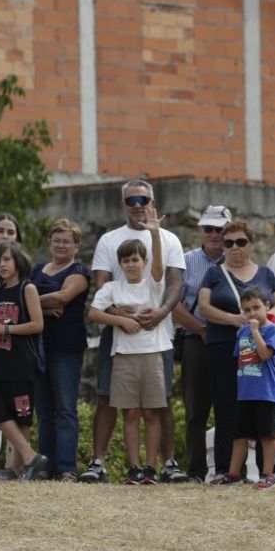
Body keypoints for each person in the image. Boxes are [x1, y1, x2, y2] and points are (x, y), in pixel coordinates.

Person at [80, 179, 182, 483]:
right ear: (123, 203)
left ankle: (166, 463)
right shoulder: (109, 239)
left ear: (152, 201)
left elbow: (172, 282)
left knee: (159, 401)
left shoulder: (169, 238)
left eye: (143, 199)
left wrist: (162, 313)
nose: (138, 205)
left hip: (156, 335)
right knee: (109, 398)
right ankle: (100, 462)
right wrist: (117, 315)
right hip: (120, 336)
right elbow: (102, 285)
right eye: (131, 200)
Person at [196, 217, 275, 481]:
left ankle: (267, 472)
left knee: (261, 410)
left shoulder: (266, 273)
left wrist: (261, 322)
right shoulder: (214, 272)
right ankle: (227, 469)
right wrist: (233, 320)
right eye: (228, 242)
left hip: (260, 346)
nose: (235, 247)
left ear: (251, 244)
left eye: (241, 242)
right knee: (227, 407)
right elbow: (204, 307)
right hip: (224, 345)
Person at [89, 213, 169, 484]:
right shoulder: (112, 287)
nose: (131, 264)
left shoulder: (153, 285)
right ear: (120, 264)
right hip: (123, 356)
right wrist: (120, 320)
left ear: (143, 262)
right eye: (126, 260)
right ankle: (134, 468)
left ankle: (150, 468)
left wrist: (156, 234)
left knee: (151, 412)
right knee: (131, 413)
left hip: (151, 353)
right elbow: (94, 313)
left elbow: (159, 266)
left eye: (135, 259)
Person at [171, 204, 232, 482]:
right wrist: (201, 328)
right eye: (208, 228)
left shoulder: (237, 260)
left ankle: (229, 468)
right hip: (196, 338)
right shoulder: (187, 260)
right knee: (196, 409)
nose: (214, 234)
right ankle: (195, 470)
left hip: (229, 340)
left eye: (220, 229)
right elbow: (175, 303)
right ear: (200, 231)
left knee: (228, 407)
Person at [0, 240, 47, 481]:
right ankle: (30, 458)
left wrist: (5, 329)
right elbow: (2, 324)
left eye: (6, 259)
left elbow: (38, 325)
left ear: (18, 260)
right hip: (0, 361)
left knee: (22, 416)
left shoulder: (27, 289)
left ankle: (19, 468)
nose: (2, 265)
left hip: (22, 362)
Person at [31, 218, 91, 481]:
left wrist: (32, 302)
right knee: (43, 409)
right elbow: (22, 296)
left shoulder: (78, 270)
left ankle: (66, 468)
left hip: (66, 348)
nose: (61, 245)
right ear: (49, 243)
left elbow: (63, 297)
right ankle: (46, 466)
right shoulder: (37, 270)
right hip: (37, 346)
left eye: (67, 241)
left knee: (65, 408)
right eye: (57, 240)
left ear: (76, 246)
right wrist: (42, 305)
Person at [225, 287, 275, 489]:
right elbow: (239, 359)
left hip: (266, 393)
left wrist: (256, 331)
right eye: (247, 309)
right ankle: (233, 473)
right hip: (245, 393)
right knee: (240, 435)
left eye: (256, 308)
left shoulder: (272, 329)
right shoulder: (241, 332)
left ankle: (269, 474)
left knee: (266, 436)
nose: (252, 313)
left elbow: (265, 354)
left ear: (267, 306)